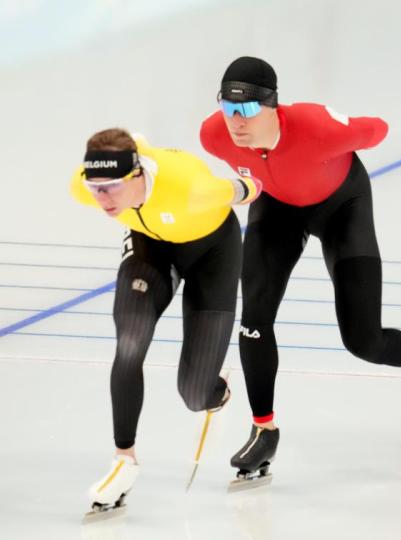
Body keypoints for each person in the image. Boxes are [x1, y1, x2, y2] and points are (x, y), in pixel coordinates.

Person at [200, 56, 401, 478]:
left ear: (273, 106)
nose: (234, 122)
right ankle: (264, 430)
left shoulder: (315, 126)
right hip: (276, 210)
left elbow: (377, 129)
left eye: (243, 111)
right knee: (254, 318)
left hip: (342, 209)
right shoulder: (214, 135)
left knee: (363, 340)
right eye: (227, 108)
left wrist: (340, 134)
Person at [73, 128, 260, 514]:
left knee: (194, 395)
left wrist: (251, 182)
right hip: (150, 247)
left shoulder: (191, 185)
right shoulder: (84, 186)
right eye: (95, 188)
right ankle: (124, 461)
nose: (101, 198)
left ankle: (217, 391)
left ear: (137, 175)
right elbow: (116, 158)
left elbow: (247, 188)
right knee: (129, 343)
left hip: (212, 253)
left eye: (109, 188)